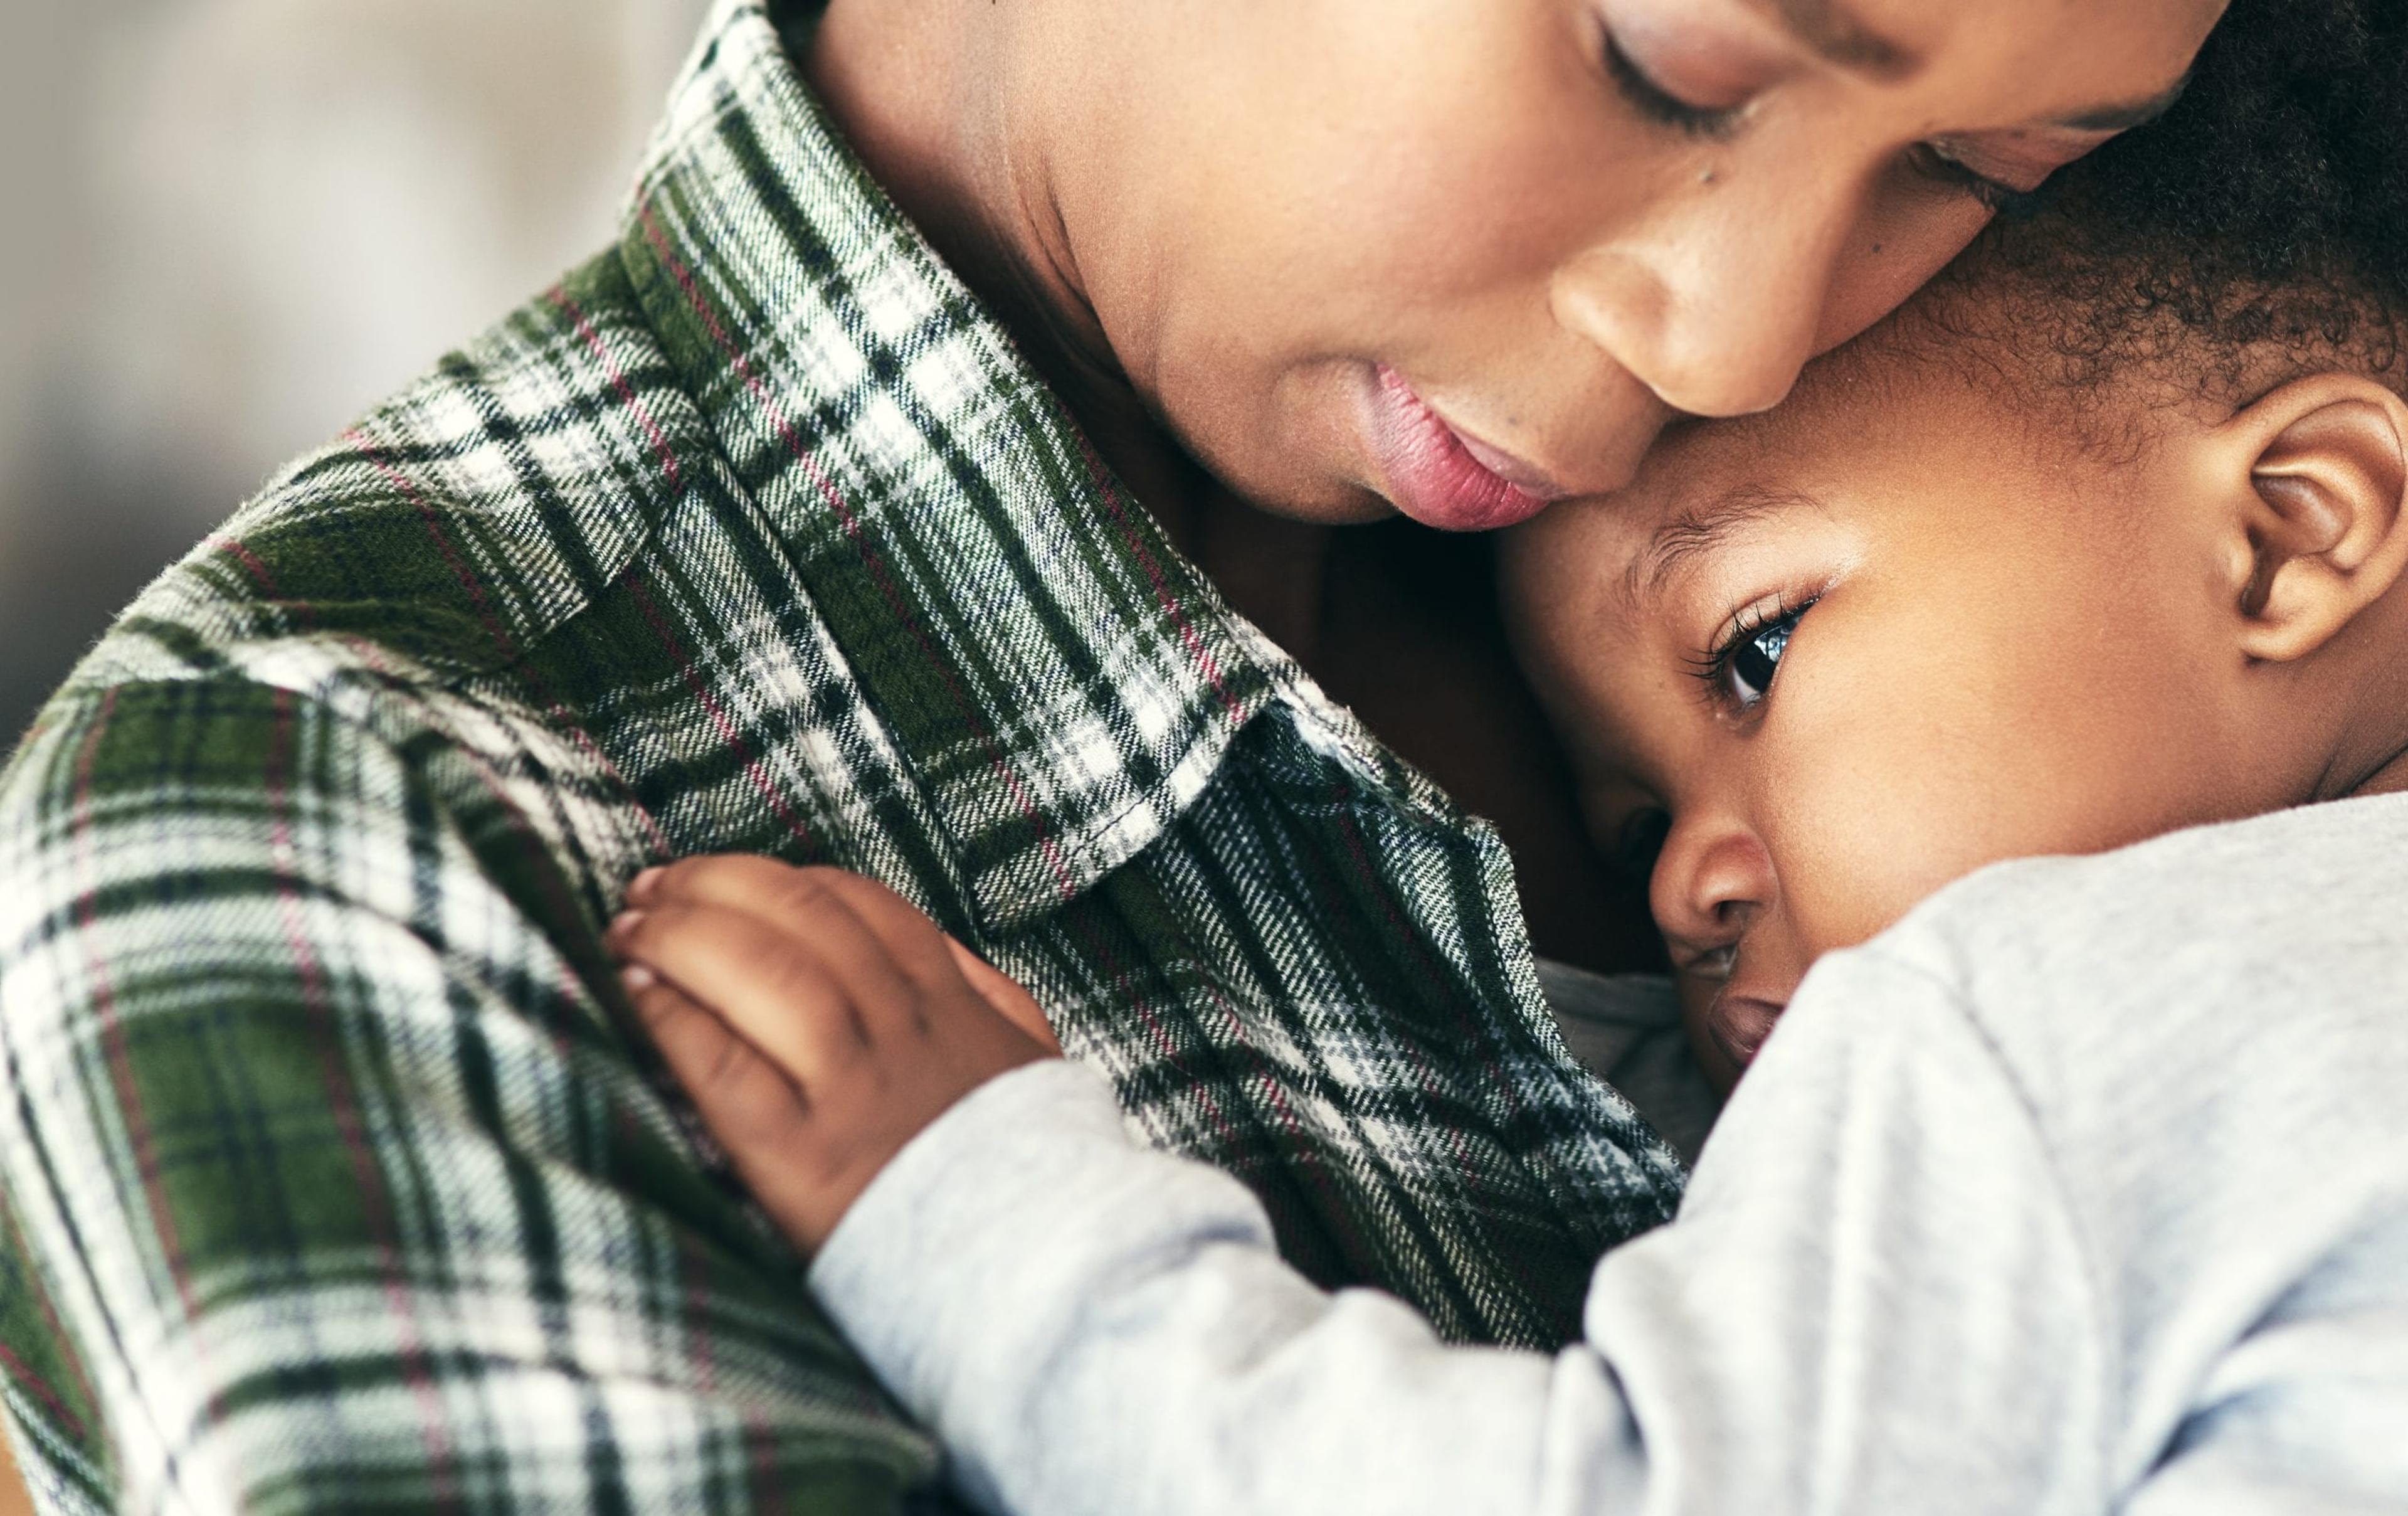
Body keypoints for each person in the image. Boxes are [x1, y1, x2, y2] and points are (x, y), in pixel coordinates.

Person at [0, 0, 2224, 1509]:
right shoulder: (348, 830)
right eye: (1666, 56)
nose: (1735, 335)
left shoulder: (2150, 437)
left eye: (1983, 163)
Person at [603, 12, 2408, 1512]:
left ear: (2293, 533)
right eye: (1631, 824)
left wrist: (992, 1230)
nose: (1736, 341)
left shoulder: (2053, 1016)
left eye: (1756, 651)